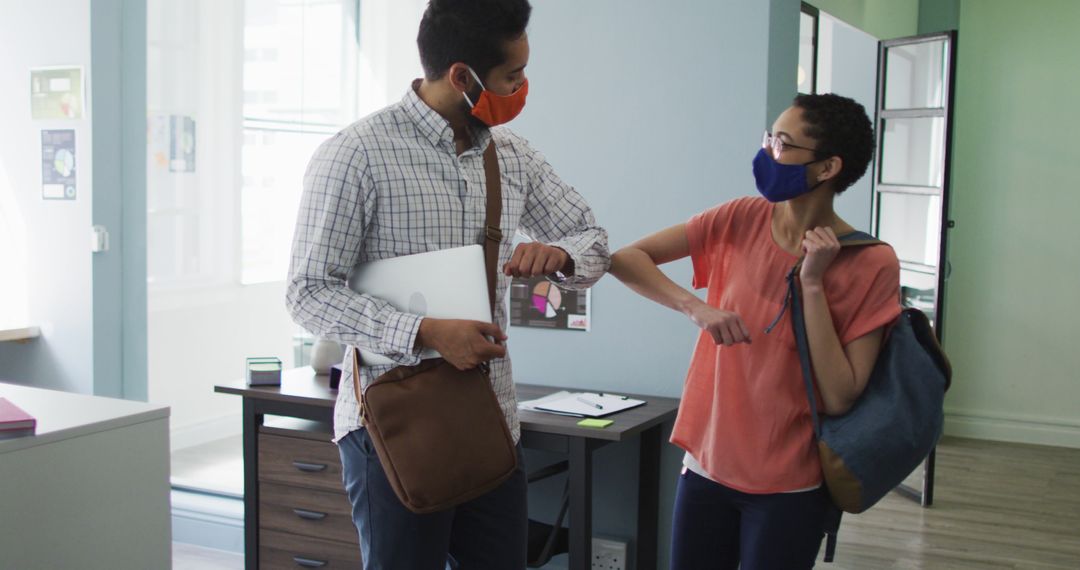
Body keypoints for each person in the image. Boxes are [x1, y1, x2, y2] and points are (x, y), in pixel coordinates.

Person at [284, 0, 610, 568]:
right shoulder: (356, 155)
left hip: (491, 422)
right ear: (463, 76)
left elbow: (593, 238)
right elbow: (307, 291)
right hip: (391, 425)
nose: (523, 87)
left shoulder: (513, 155)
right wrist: (425, 331)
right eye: (513, 76)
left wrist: (559, 253)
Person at [609, 93, 900, 569]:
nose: (768, 153)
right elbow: (625, 259)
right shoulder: (739, 218)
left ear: (828, 168)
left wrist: (811, 285)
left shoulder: (870, 262)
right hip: (706, 467)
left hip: (791, 484)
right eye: (769, 138)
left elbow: (842, 394)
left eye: (783, 144)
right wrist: (696, 308)